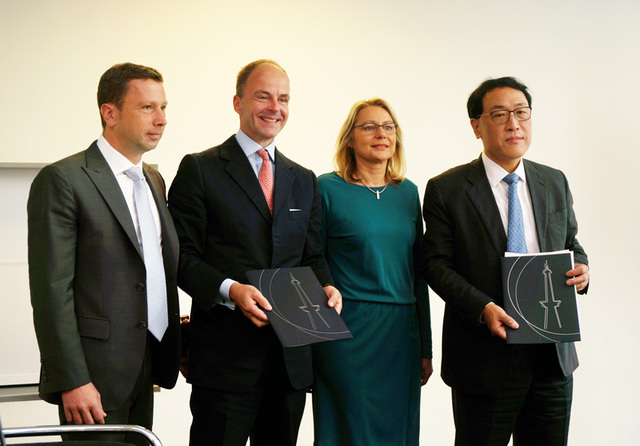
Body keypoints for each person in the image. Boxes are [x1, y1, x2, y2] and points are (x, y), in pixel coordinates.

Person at [168, 59, 342, 446]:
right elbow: (181, 257)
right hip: (225, 361)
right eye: (263, 96)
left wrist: (327, 286)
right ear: (237, 102)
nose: (274, 107)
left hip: (289, 362)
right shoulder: (201, 169)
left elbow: (312, 257)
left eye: (283, 99)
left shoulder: (303, 179)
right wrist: (231, 290)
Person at [422, 76, 590, 446]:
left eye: (521, 112)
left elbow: (571, 243)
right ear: (476, 126)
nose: (514, 123)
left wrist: (582, 268)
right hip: (483, 355)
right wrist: (482, 308)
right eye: (499, 115)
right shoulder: (448, 189)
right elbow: (435, 264)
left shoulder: (553, 181)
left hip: (551, 356)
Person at [27, 62, 180, 444]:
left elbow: (145, 271)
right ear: (109, 113)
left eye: (163, 107)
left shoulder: (153, 179)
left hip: (146, 366)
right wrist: (72, 379)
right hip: (91, 380)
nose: (161, 119)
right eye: (147, 107)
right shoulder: (63, 179)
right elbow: (51, 291)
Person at [312, 98, 433, 446]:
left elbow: (418, 273)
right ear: (350, 138)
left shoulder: (408, 193)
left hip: (401, 334)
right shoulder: (326, 188)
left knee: (396, 432)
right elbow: (312, 260)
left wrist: (425, 346)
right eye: (369, 127)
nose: (381, 133)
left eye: (388, 127)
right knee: (348, 431)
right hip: (345, 330)